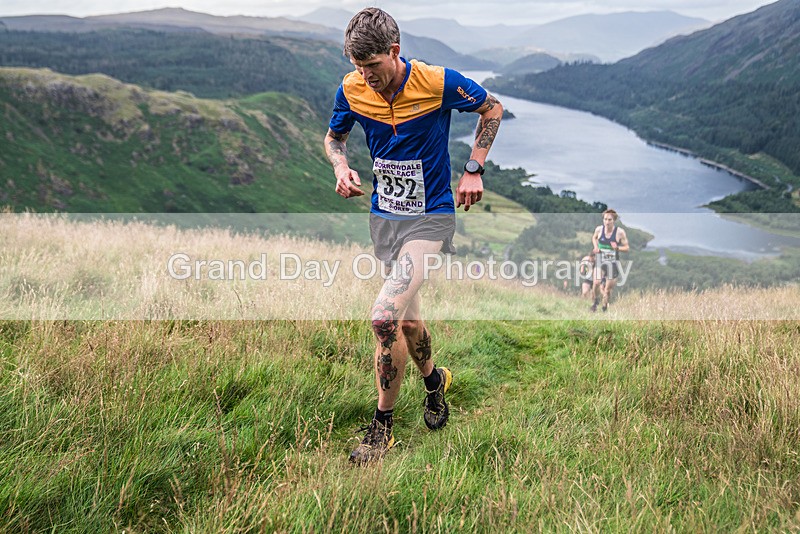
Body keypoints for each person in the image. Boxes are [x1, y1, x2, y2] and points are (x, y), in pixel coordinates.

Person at [323, 7, 503, 464]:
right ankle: (434, 381)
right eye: (358, 66)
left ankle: (381, 430)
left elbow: (492, 108)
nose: (367, 76)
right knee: (405, 322)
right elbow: (334, 138)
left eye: (373, 66)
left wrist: (474, 168)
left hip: (431, 216)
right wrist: (341, 167)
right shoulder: (352, 88)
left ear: (395, 51)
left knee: (383, 316)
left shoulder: (436, 82)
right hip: (385, 219)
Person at [591, 209, 629, 312]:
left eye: (609, 220)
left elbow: (627, 248)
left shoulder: (620, 232)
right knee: (596, 282)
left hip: (612, 263)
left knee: (607, 290)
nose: (607, 222)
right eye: (605, 219)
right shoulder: (599, 229)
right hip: (600, 260)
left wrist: (617, 248)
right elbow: (594, 238)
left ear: (614, 220)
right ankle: (595, 302)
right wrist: (596, 247)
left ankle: (604, 307)